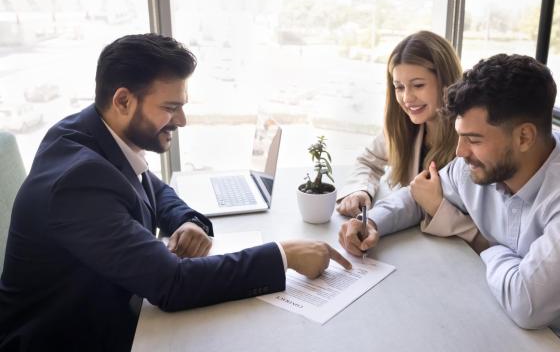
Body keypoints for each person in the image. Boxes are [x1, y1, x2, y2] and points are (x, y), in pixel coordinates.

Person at [0, 33, 351, 351]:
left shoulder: (91, 131)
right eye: (170, 108)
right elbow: (173, 285)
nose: (182, 121)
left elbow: (149, 185)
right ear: (123, 100)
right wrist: (284, 255)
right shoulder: (78, 181)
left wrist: (186, 221)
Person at [340, 54, 560, 351]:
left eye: (474, 139)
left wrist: (485, 244)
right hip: (504, 319)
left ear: (524, 137)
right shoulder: (486, 163)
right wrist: (371, 221)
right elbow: (420, 195)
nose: (459, 152)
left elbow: (526, 303)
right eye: (460, 136)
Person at [336, 30, 461, 216]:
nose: (407, 98)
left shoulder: (470, 138)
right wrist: (359, 190)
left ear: (446, 82)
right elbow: (368, 161)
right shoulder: (403, 127)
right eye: (399, 87)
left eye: (418, 85)